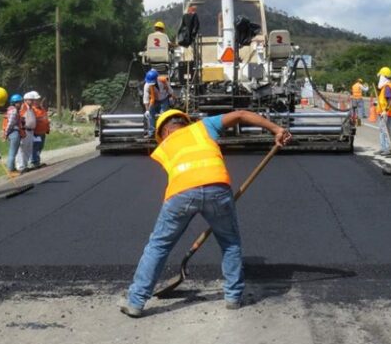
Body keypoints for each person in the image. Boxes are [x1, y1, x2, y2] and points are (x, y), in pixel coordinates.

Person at [120, 109, 292, 318]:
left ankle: (136, 302)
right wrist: (276, 129)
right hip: (218, 189)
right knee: (230, 243)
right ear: (185, 122)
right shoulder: (203, 127)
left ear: (165, 131)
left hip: (181, 194)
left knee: (159, 245)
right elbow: (240, 114)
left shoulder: (164, 145)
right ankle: (233, 298)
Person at [2, 93, 25, 177]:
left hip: (13, 132)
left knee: (14, 152)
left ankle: (13, 168)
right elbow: (10, 123)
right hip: (14, 132)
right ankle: (10, 171)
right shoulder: (14, 110)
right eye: (19, 102)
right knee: (12, 152)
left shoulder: (12, 110)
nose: (21, 104)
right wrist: (6, 133)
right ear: (14, 103)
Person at [375, 66, 391, 156]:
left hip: (386, 113)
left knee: (385, 131)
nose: (380, 78)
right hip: (383, 112)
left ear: (383, 76)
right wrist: (377, 103)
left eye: (381, 76)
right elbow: (384, 100)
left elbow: (389, 101)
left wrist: (385, 111)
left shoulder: (387, 87)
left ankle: (388, 149)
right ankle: (383, 148)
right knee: (382, 130)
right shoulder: (384, 87)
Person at [15, 91, 37, 171]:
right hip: (24, 130)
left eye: (33, 100)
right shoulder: (23, 107)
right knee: (22, 149)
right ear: (26, 100)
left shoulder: (31, 108)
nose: (33, 101)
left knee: (28, 148)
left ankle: (25, 165)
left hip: (31, 131)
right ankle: (20, 166)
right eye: (31, 100)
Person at [31, 95, 50, 168]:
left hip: (43, 132)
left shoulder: (42, 109)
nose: (37, 101)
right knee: (36, 147)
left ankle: (37, 160)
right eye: (36, 100)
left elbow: (45, 119)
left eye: (38, 100)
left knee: (41, 147)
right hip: (36, 132)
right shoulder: (32, 110)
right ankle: (34, 161)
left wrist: (47, 128)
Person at [143, 69, 162, 137]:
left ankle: (163, 131)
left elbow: (168, 90)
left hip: (163, 99)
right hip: (153, 101)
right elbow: (146, 100)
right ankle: (151, 133)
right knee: (150, 115)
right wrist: (147, 110)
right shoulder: (147, 86)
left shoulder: (162, 81)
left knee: (164, 114)